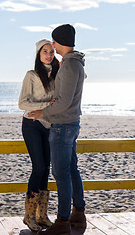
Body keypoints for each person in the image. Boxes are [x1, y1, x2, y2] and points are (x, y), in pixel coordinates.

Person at [29, 24, 86, 235]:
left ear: (60, 42)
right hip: (70, 123)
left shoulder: (70, 65)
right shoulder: (72, 63)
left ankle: (63, 222)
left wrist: (42, 112)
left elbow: (64, 102)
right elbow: (65, 97)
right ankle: (78, 214)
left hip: (63, 125)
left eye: (54, 41)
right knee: (71, 170)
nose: (52, 45)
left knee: (61, 173)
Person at [18, 39, 59, 232]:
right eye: (45, 52)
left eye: (51, 52)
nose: (49, 55)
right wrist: (44, 106)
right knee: (39, 166)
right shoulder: (32, 75)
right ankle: (29, 216)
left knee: (46, 169)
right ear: (38, 53)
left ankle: (41, 216)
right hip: (32, 124)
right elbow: (22, 103)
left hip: (49, 125)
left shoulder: (57, 74)